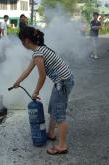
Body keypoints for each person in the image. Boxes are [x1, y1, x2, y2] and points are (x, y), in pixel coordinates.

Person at [13, 26, 74, 155]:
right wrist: (18, 81)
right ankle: (51, 134)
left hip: (62, 82)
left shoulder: (38, 53)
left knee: (59, 114)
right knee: (53, 108)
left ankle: (62, 146)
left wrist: (35, 92)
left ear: (27, 40)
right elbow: (28, 70)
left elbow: (42, 76)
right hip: (61, 81)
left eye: (22, 41)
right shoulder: (39, 51)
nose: (22, 44)